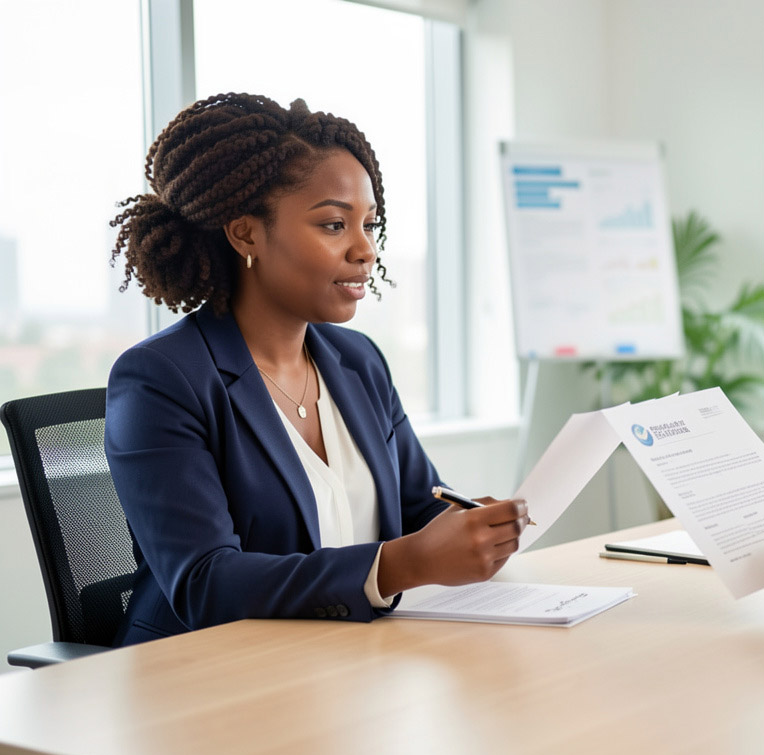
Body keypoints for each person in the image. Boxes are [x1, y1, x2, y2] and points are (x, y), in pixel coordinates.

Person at [105, 93, 528, 646]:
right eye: (333, 225)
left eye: (369, 225)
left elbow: (424, 505)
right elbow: (206, 584)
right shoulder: (161, 379)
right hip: (211, 682)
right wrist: (401, 564)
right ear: (245, 234)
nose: (365, 250)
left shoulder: (358, 361)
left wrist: (478, 527)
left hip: (350, 663)